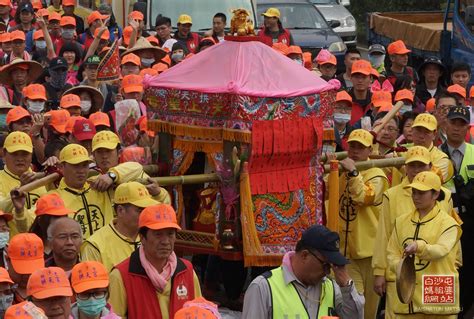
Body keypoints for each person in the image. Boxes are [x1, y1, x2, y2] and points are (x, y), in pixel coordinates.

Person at [372, 145, 456, 318]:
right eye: (412, 165)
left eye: (421, 165)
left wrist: (455, 264)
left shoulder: (445, 196)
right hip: (405, 279)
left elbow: (449, 243)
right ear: (405, 167)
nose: (416, 170)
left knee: (438, 315)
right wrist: (382, 271)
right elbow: (385, 239)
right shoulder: (392, 197)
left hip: (436, 276)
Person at [242, 224, 364, 318]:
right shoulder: (263, 287)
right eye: (325, 265)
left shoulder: (330, 287)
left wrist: (346, 284)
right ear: (305, 255)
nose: (328, 272)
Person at [386, 171, 461, 317]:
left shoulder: (449, 223)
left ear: (435, 194)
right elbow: (391, 253)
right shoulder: (401, 221)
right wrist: (402, 269)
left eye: (421, 193)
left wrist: (418, 246)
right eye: (414, 192)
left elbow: (441, 250)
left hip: (437, 294)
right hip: (407, 298)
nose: (415, 197)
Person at [109, 204, 202, 318]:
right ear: (142, 238)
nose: (165, 241)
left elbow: (199, 312)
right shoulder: (121, 276)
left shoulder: (187, 271)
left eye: (170, 234)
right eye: (158, 234)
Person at [337, 129, 389, 319]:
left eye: (361, 147)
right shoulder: (343, 172)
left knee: (368, 310)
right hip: (346, 252)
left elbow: (363, 197)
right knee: (352, 303)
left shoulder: (377, 174)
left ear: (370, 150)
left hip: (370, 253)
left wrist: (353, 172)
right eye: (352, 146)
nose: (355, 151)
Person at [439, 106, 474, 317]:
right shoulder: (435, 154)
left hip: (470, 222)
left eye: (462, 124)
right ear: (445, 124)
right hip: (442, 219)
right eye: (453, 123)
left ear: (468, 128)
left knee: (469, 269)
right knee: (446, 267)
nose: (457, 128)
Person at [81, 181, 158, 272]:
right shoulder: (95, 245)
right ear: (120, 210)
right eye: (140, 210)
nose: (146, 215)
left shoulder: (153, 237)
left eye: (148, 210)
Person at [50, 143, 114, 238]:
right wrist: (20, 212)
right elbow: (29, 221)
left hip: (106, 250)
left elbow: (136, 168)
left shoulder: (99, 186)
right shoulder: (54, 198)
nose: (81, 171)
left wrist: (112, 175)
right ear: (61, 167)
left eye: (84, 165)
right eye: (75, 165)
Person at [0, 132, 47, 234]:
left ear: (31, 154)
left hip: (40, 246)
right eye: (14, 154)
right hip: (10, 246)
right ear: (4, 153)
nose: (20, 159)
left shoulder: (44, 180)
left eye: (25, 154)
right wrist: (21, 189)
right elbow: (1, 209)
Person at [29, 193, 74, 260]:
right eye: (56, 218)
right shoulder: (30, 247)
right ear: (41, 220)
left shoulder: (69, 246)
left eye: (63, 217)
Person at [411, 112, 452, 183]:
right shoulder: (402, 152)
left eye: (426, 132)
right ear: (412, 131)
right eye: (418, 130)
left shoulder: (441, 159)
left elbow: (427, 182)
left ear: (434, 134)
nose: (421, 136)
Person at [6, 233, 44, 303]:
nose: (27, 275)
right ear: (8, 260)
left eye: (32, 269)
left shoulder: (48, 287)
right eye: (21, 271)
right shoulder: (3, 286)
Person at [348, 60, 373, 126]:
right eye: (356, 77)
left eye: (364, 77)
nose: (360, 80)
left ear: (370, 79)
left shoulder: (376, 101)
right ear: (350, 78)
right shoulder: (345, 101)